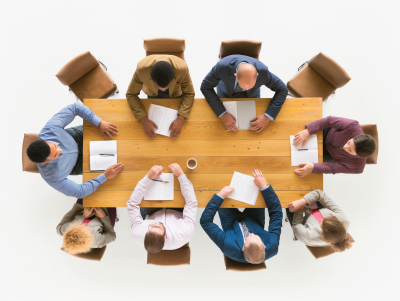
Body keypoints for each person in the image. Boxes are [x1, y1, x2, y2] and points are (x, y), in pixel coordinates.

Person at [26, 103, 124, 198]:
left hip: (76, 138)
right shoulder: (51, 177)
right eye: (55, 155)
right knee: (118, 170)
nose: (61, 151)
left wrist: (99, 122)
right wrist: (105, 176)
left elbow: (75, 107)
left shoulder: (50, 129)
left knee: (120, 136)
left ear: (46, 141)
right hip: (75, 165)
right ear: (44, 162)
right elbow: (79, 192)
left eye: (56, 146)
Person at [200, 169, 283, 264]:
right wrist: (264, 187)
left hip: (231, 223)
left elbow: (205, 222)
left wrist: (220, 196)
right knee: (257, 188)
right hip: (254, 220)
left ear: (243, 248)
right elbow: (276, 214)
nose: (251, 234)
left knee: (220, 186)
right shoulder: (272, 245)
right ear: (264, 245)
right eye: (256, 236)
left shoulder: (228, 246)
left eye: (248, 237)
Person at [200, 54, 288, 132]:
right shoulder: (222, 67)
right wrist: (222, 113)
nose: (245, 89)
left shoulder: (263, 72)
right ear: (236, 76)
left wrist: (267, 117)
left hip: (252, 95)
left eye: (249, 86)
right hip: (226, 93)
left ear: (257, 75)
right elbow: (205, 87)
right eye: (243, 86)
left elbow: (283, 89)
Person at [127, 163, 197, 253]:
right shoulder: (184, 234)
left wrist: (148, 177)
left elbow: (132, 204)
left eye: (152, 226)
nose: (158, 223)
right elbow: (191, 203)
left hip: (153, 210)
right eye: (159, 227)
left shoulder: (138, 234)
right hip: (178, 209)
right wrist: (181, 175)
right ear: (165, 238)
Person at [126, 55, 195, 139]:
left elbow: (189, 93)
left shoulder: (183, 69)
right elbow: (131, 94)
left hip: (175, 92)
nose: (162, 91)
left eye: (166, 87)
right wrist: (144, 120)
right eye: (160, 88)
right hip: (152, 93)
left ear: (173, 79)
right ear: (151, 79)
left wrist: (181, 118)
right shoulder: (141, 70)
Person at [292, 116, 376, 176]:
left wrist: (313, 168)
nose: (345, 147)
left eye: (350, 150)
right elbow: (329, 120)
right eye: (349, 142)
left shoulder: (357, 167)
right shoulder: (353, 125)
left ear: (358, 156)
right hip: (324, 133)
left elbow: (332, 168)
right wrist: (309, 131)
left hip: (328, 154)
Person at [287, 190, 353, 252]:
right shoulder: (344, 220)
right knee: (309, 190)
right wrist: (302, 201)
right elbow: (320, 194)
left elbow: (296, 224)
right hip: (316, 209)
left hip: (303, 224)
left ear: (322, 234)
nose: (321, 219)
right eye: (326, 217)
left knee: (288, 201)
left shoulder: (309, 237)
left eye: (321, 223)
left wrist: (300, 207)